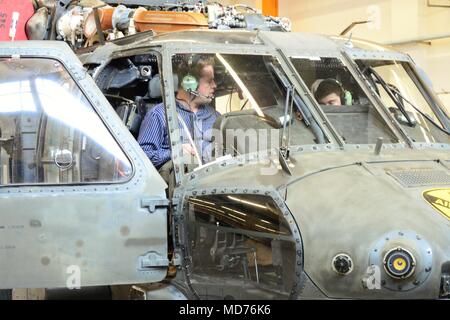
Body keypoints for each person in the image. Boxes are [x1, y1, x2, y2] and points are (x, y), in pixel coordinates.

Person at [138, 54, 220, 184]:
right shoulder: (159, 115)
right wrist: (174, 152)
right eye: (209, 81)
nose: (215, 85)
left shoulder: (215, 117)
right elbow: (141, 158)